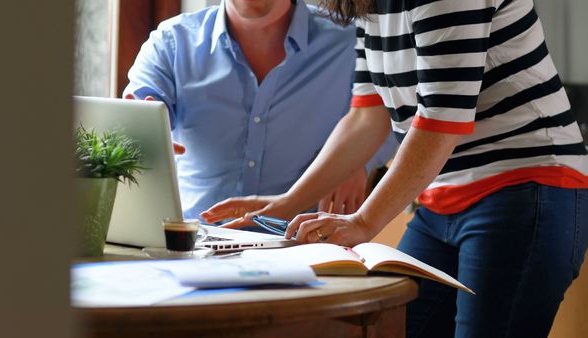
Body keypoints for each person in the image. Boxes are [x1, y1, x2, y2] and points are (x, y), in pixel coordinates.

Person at [201, 0, 588, 337]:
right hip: (442, 200)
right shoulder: (368, 4)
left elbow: (440, 119)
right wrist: (286, 203)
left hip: (526, 185)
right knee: (389, 326)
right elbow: (366, 116)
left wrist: (364, 221)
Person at [123, 0, 396, 223]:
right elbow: (137, 109)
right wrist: (141, 127)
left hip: (307, 246)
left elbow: (397, 114)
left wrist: (359, 160)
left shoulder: (351, 42)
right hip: (194, 244)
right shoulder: (170, 43)